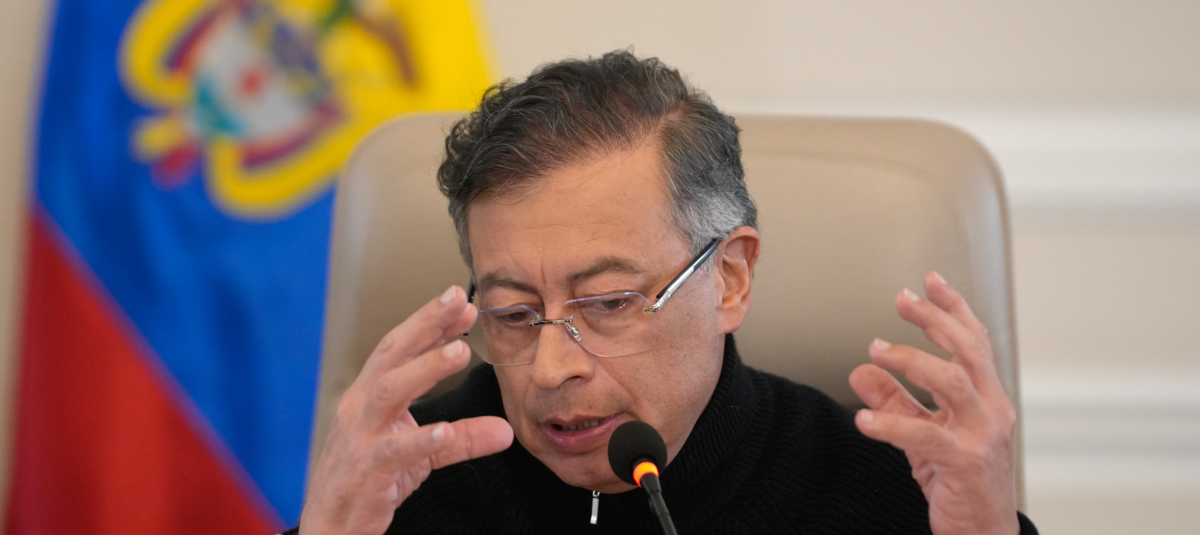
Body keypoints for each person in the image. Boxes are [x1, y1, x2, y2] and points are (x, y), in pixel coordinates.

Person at [293, 51, 1036, 534]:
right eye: (514, 313)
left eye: (608, 303)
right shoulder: (398, 490)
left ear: (730, 278)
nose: (549, 370)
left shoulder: (884, 492)